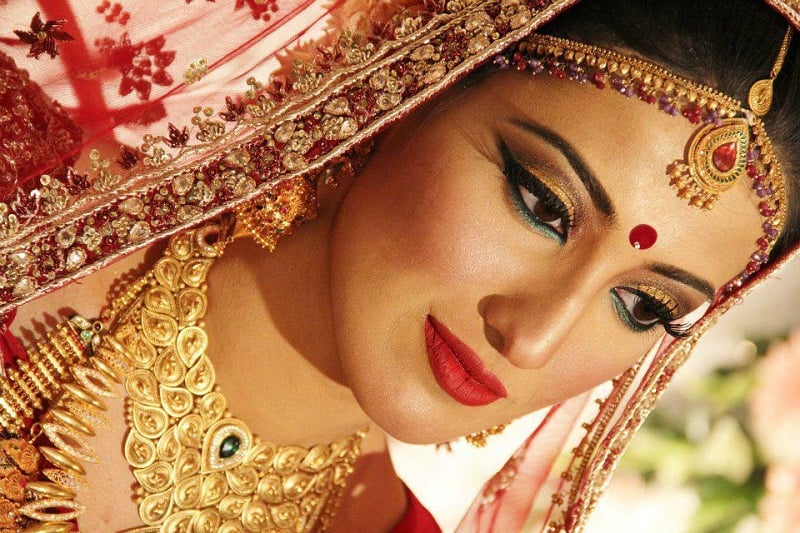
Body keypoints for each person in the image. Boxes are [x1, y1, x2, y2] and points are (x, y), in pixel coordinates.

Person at [0, 0, 798, 531]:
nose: (533, 338)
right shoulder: (25, 197)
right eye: (543, 205)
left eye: (644, 307)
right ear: (414, 87)